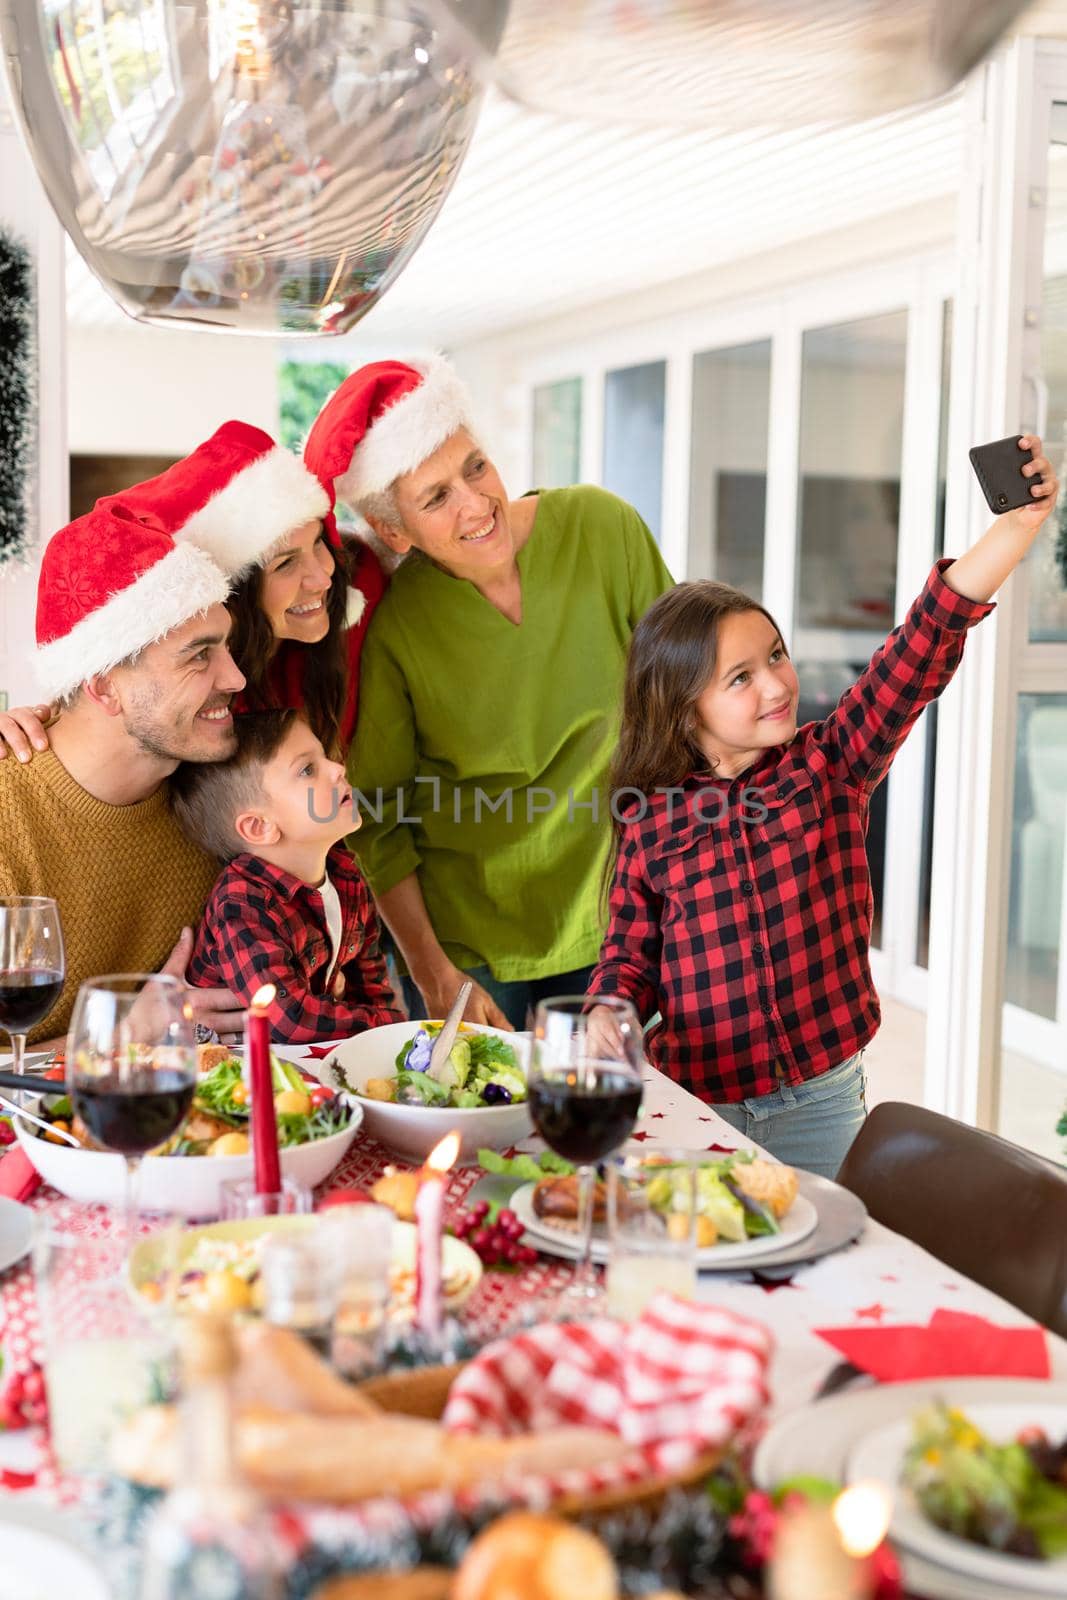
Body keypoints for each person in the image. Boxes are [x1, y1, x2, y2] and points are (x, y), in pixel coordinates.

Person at [587, 436, 1058, 1180]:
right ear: (681, 708)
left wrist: (1014, 529)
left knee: (827, 1257)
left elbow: (922, 643)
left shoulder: (828, 765)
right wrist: (604, 1009)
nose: (775, 685)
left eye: (774, 655)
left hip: (822, 1105)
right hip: (694, 1100)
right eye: (738, 678)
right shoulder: (651, 818)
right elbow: (627, 952)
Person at [301, 357, 675, 1029]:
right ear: (395, 532)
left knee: (611, 1122)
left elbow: (683, 693)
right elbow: (378, 822)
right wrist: (431, 972)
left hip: (621, 927)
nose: (476, 504)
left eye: (475, 467)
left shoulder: (601, 528)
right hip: (467, 949)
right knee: (480, 1128)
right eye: (435, 497)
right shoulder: (397, 628)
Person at [0, 502, 246, 1044]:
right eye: (199, 656)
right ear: (105, 685)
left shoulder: (216, 798)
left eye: (225, 647)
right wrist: (116, 1034)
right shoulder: (8, 821)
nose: (236, 677)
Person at [0, 420, 388, 763]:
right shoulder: (195, 705)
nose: (323, 577)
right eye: (285, 563)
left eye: (319, 542)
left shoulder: (360, 583)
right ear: (232, 592)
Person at [171, 709, 402, 1043]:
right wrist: (396, 1028)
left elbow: (371, 986)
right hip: (229, 1071)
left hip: (302, 1065)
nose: (338, 769)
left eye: (325, 758)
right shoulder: (241, 902)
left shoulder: (346, 876)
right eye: (308, 769)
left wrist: (391, 1041)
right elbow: (291, 1020)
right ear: (259, 826)